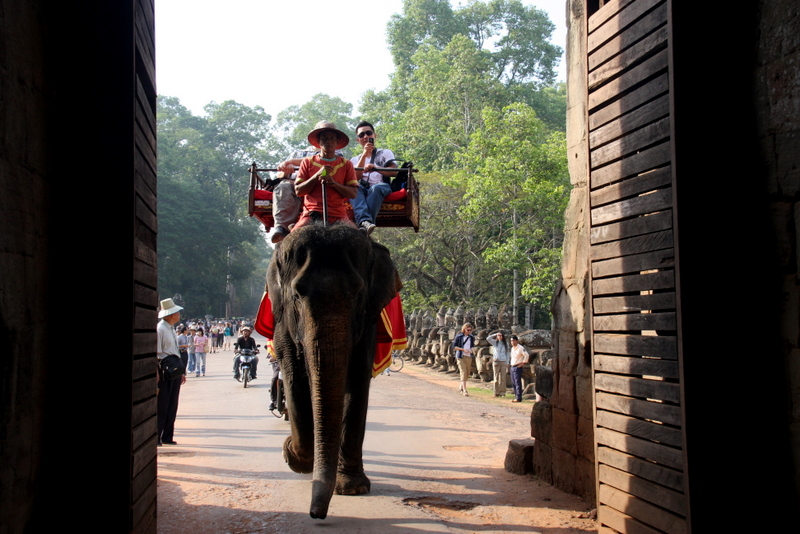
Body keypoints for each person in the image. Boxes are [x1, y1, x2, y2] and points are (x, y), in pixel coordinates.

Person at [270, 144, 346, 243]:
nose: (327, 140)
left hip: (322, 184)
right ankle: (282, 229)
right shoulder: (296, 153)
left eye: (330, 136)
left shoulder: (335, 152)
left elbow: (327, 163)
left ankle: (360, 230)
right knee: (283, 186)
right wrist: (285, 171)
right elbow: (279, 174)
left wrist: (292, 162)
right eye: (322, 136)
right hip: (295, 184)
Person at [293, 121, 359, 229]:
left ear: (337, 142)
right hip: (312, 214)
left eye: (332, 138)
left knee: (360, 241)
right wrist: (316, 176)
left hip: (339, 215)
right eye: (324, 138)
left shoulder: (346, 164)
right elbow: (299, 191)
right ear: (318, 142)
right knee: (292, 240)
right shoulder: (307, 162)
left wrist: (333, 183)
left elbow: (353, 193)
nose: (328, 141)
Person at [349, 121, 397, 236]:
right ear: (358, 140)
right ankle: (365, 222)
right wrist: (364, 155)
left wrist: (376, 168)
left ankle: (365, 223)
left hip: (382, 186)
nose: (365, 136)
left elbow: (394, 172)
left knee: (375, 188)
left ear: (375, 135)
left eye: (368, 133)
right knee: (354, 188)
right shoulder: (354, 160)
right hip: (363, 186)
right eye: (361, 135)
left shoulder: (385, 153)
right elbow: (355, 178)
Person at [157, 298, 185, 446]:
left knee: (172, 404)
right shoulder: (160, 329)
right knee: (163, 404)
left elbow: (176, 351)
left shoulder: (171, 329)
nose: (179, 314)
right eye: (177, 312)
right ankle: (157, 436)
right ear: (170, 314)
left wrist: (181, 372)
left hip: (175, 369)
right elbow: (157, 353)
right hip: (164, 370)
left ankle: (167, 436)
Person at [451, 323, 476, 396]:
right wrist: (463, 349)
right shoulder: (459, 336)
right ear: (464, 329)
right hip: (460, 356)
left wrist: (472, 350)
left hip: (468, 356)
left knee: (467, 373)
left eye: (470, 330)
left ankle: (461, 386)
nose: (469, 331)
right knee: (463, 371)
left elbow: (472, 346)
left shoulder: (471, 337)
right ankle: (465, 390)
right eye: (468, 330)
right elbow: (454, 346)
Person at [486, 330, 510, 397]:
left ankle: (502, 392)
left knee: (503, 378)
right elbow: (488, 339)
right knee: (496, 378)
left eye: (501, 335)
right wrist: (495, 334)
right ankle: (496, 392)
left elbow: (507, 353)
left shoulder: (506, 344)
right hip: (496, 361)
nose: (500, 337)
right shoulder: (495, 343)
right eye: (499, 336)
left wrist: (507, 362)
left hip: (503, 361)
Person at [509, 335, 530, 403]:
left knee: (517, 382)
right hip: (512, 366)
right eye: (511, 341)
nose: (513, 342)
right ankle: (516, 396)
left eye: (514, 340)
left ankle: (519, 397)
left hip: (518, 366)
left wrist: (523, 363)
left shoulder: (520, 348)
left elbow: (526, 355)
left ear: (517, 341)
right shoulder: (512, 348)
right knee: (513, 383)